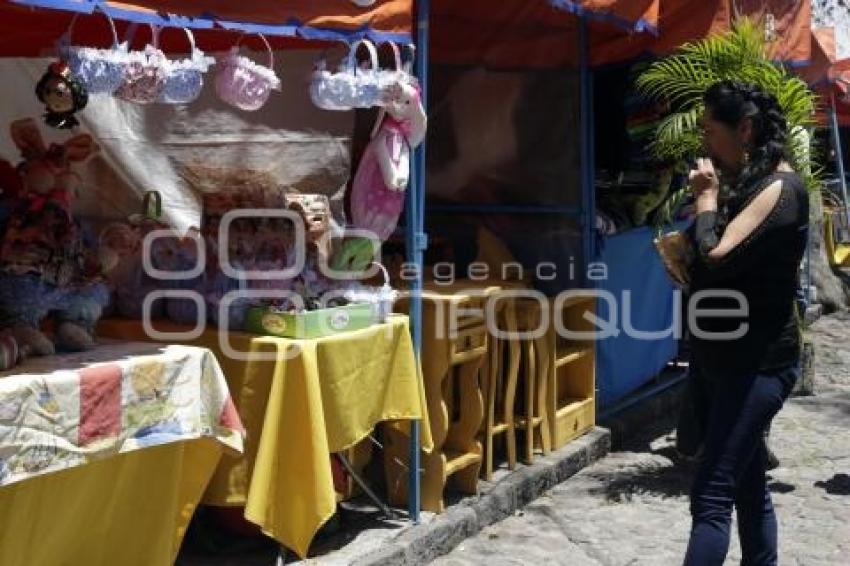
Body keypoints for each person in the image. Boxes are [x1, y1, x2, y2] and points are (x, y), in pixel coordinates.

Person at [682, 80, 808, 565]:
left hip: (756, 366)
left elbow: (717, 253)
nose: (704, 144)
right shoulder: (754, 184)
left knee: (712, 494)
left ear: (747, 128)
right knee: (748, 486)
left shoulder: (781, 189)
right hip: (724, 359)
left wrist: (707, 200)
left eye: (711, 131)